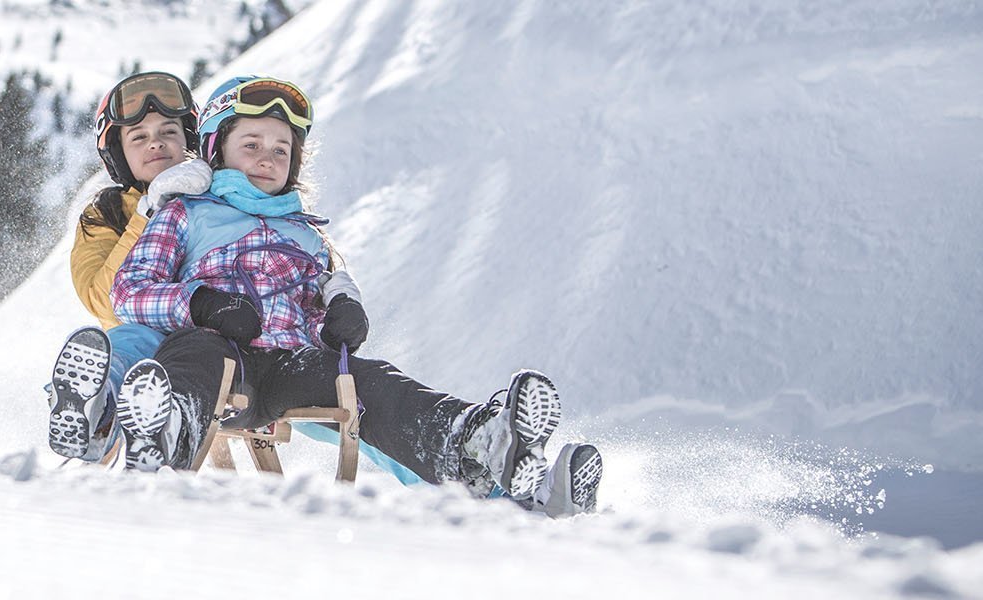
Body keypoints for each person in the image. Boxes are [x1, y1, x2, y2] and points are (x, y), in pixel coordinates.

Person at [109, 75, 602, 516]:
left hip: (289, 364)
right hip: (218, 354)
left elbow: (331, 284)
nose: (267, 157)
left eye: (282, 150)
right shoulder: (186, 213)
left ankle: (481, 440)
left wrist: (344, 308)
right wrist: (201, 305)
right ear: (217, 150)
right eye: (252, 143)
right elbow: (129, 290)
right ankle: (164, 433)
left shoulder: (307, 234)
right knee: (195, 354)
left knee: (369, 381)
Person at [46, 72, 211, 464]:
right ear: (119, 153)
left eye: (169, 131)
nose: (156, 142)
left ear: (190, 140)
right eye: (138, 136)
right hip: (140, 340)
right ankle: (91, 411)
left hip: (211, 339)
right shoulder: (105, 215)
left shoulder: (221, 197)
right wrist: (148, 211)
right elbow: (104, 302)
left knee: (178, 351)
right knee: (128, 341)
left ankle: (125, 423)